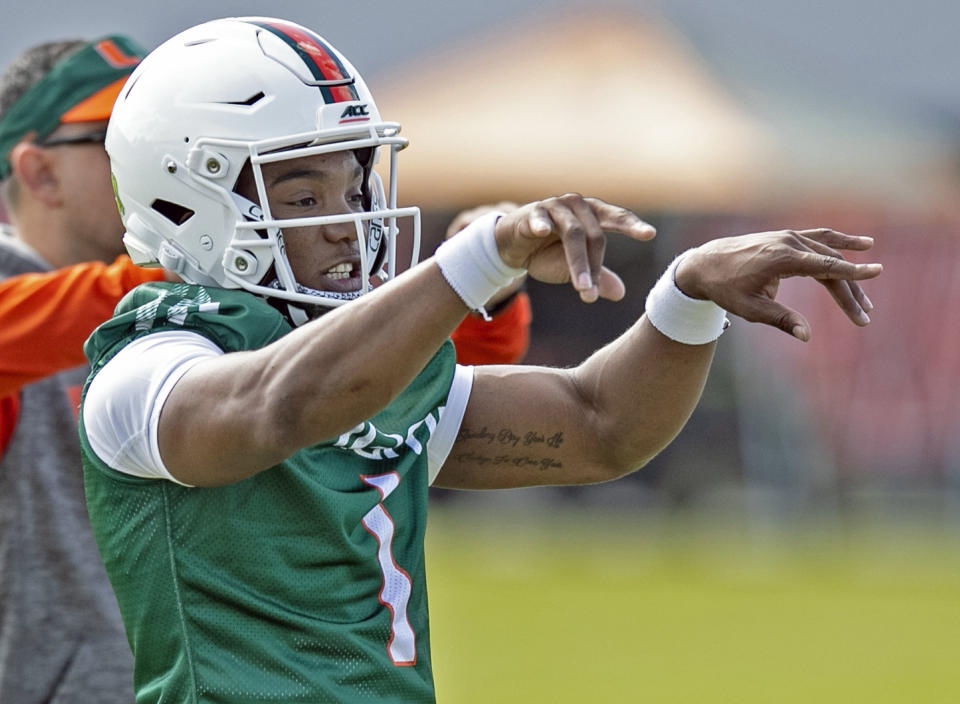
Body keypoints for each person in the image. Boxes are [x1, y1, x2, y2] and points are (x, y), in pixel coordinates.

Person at [78, 17, 881, 703]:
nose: (348, 223)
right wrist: (477, 262)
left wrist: (686, 294)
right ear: (186, 201)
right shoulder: (146, 367)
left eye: (354, 188)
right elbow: (277, 408)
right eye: (302, 198)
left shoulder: (369, 371)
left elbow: (599, 425)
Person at [0, 35, 163, 703]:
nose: (162, 158)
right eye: (118, 135)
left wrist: (481, 289)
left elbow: (435, 376)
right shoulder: (157, 294)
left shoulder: (170, 300)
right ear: (38, 174)